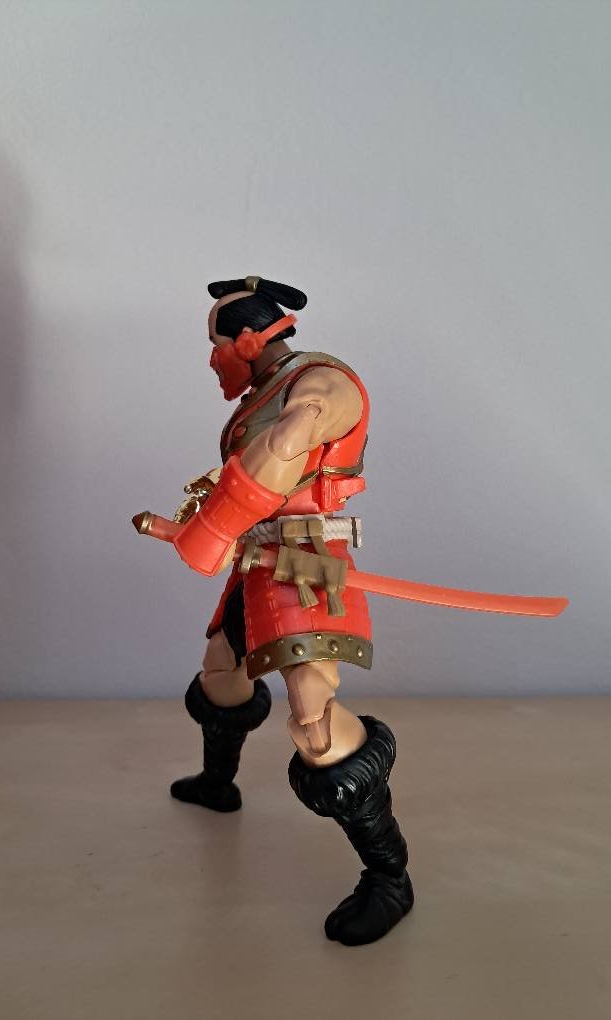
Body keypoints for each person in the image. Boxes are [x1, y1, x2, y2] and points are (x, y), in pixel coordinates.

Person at [169, 276, 413, 946]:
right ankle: (218, 785)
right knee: (221, 675)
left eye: (217, 343)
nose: (212, 358)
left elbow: (286, 446)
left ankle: (389, 876)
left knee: (315, 726)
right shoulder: (262, 392)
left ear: (249, 340)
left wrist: (216, 526)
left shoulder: (323, 382)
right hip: (258, 560)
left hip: (306, 567)